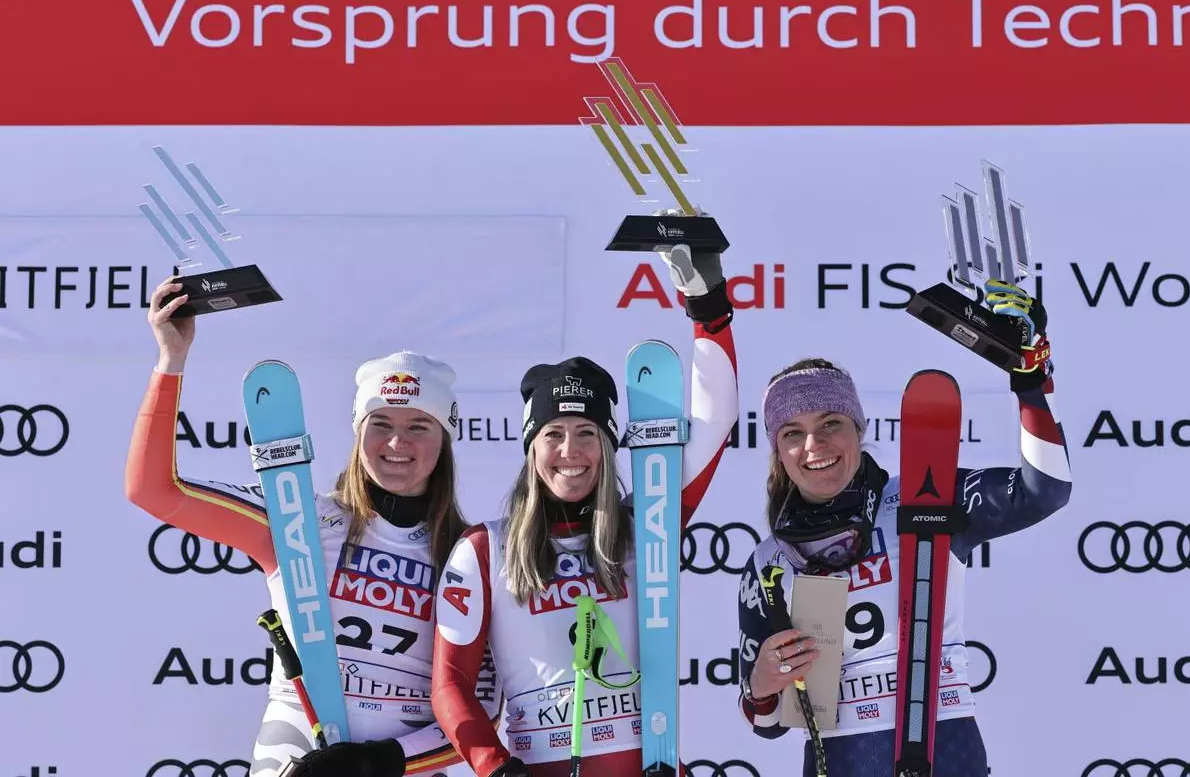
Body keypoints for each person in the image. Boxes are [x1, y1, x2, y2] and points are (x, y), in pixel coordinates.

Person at [125, 275, 501, 777]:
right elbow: (155, 491)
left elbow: (482, 709)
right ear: (357, 432)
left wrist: (379, 762)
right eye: (381, 424)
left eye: (418, 426)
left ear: (445, 438)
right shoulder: (297, 518)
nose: (397, 443)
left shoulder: (470, 555)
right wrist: (171, 359)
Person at [428, 239, 739, 776]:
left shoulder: (649, 523)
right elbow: (450, 685)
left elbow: (714, 426)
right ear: (531, 450)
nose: (570, 452)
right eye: (553, 434)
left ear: (608, 445)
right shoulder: (484, 549)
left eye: (587, 433)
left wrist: (708, 309)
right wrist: (494, 768)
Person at [736, 280, 1073, 776]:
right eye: (793, 433)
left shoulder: (922, 496)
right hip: (839, 761)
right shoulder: (769, 561)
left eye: (831, 423)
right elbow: (766, 722)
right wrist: (760, 686)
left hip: (946, 751)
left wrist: (1031, 381)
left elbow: (1045, 490)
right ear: (778, 450)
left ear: (859, 428)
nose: (814, 445)